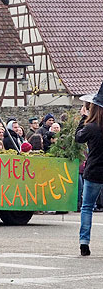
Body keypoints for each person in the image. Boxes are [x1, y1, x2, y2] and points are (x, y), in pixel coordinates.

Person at [76, 81, 103, 256]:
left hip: (94, 171)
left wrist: (82, 118)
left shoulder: (91, 127)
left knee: (87, 207)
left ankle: (84, 242)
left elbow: (78, 138)